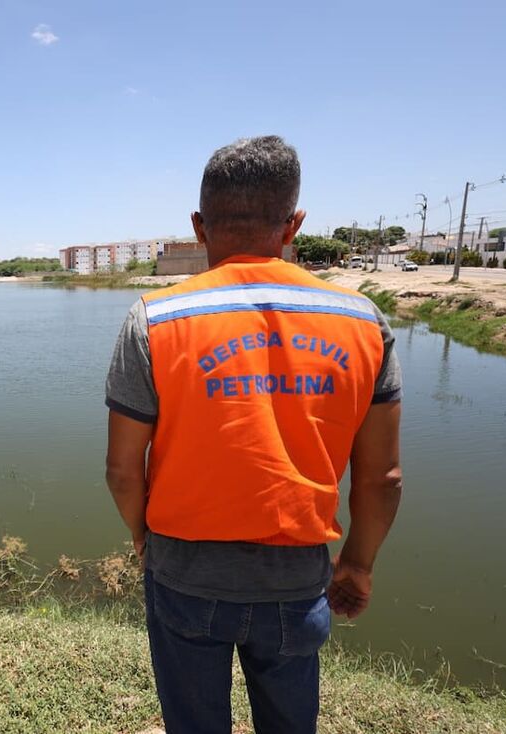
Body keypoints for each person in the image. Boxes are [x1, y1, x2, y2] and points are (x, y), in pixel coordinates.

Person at [104, 136, 402, 734]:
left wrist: (144, 539)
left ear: (199, 225)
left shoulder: (155, 319)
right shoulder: (363, 321)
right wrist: (358, 564)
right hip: (297, 577)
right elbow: (382, 478)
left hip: (184, 572)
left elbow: (120, 469)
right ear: (293, 224)